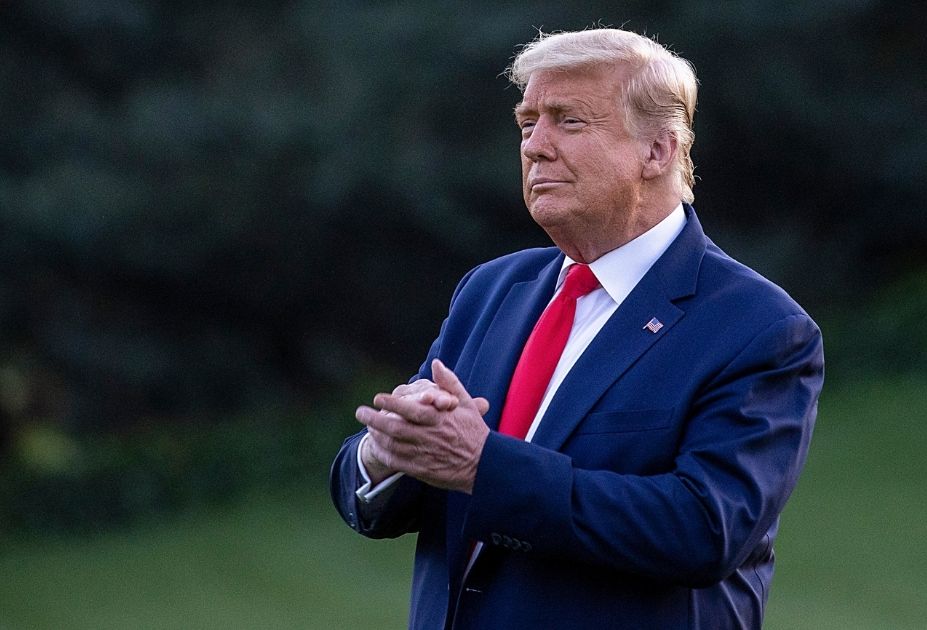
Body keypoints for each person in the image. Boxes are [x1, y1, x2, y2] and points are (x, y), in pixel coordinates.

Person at [330, 27, 824, 630]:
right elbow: (387, 487)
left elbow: (703, 528)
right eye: (526, 121)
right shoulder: (491, 290)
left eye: (568, 121)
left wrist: (484, 465)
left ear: (659, 151)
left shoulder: (759, 328)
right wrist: (382, 455)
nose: (534, 146)